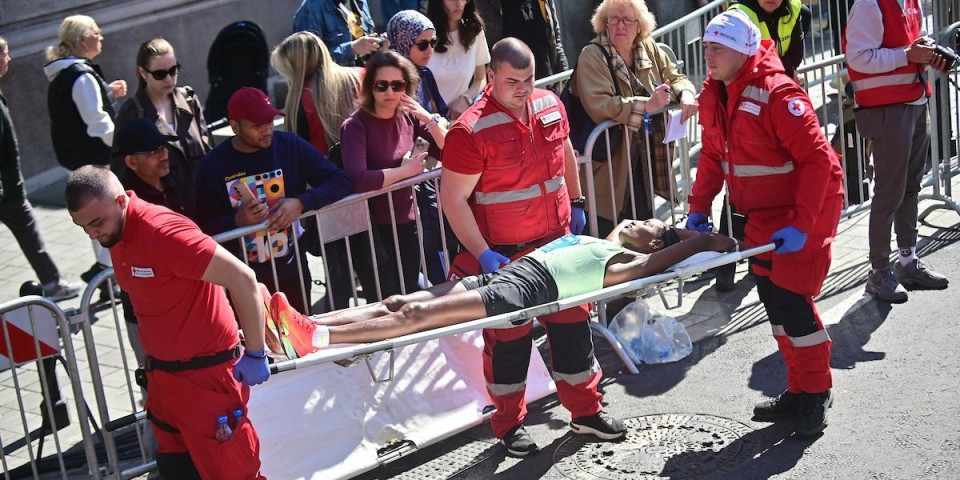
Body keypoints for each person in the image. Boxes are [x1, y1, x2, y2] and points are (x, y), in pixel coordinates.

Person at [439, 38, 620, 457]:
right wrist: (483, 253)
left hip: (557, 244)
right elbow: (452, 199)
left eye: (529, 78)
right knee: (509, 345)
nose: (523, 88)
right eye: (512, 81)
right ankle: (508, 426)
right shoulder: (469, 130)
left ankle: (586, 413)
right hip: (506, 255)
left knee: (574, 329)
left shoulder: (549, 105)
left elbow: (566, 156)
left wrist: (575, 203)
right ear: (490, 76)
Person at [686, 10, 844, 437]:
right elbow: (714, 156)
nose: (708, 56)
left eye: (716, 48)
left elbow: (818, 163)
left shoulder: (778, 93)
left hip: (802, 211)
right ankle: (798, 389)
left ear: (741, 51)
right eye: (706, 48)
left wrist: (802, 224)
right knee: (774, 302)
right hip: (761, 216)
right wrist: (698, 206)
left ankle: (816, 393)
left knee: (793, 303)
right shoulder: (717, 93)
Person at [65, 165, 269, 479]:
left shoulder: (164, 232)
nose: (93, 234)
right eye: (83, 228)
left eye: (96, 223)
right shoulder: (116, 235)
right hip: (165, 383)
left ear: (121, 202)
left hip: (206, 381)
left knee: (234, 472)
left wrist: (256, 352)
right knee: (177, 471)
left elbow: (243, 278)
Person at [270, 219, 735, 348]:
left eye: (653, 227)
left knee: (413, 316)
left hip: (521, 290)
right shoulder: (594, 235)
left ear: (655, 247)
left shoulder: (627, 261)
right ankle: (303, 321)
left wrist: (703, 240)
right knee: (398, 300)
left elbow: (667, 257)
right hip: (507, 274)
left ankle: (321, 339)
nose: (642, 221)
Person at [193, 87, 352, 314]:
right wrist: (236, 222)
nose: (267, 130)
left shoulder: (289, 145)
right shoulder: (211, 166)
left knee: (299, 341)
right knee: (256, 348)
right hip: (240, 280)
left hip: (292, 271)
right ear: (235, 127)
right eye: (257, 125)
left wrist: (301, 202)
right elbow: (200, 229)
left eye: (270, 121)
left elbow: (340, 181)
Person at [844, 0, 950, 303]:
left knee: (910, 188)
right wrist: (908, 55)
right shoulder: (868, 4)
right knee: (890, 193)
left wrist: (931, 54)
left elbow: (913, 44)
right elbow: (858, 58)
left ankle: (907, 262)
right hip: (886, 110)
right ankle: (879, 272)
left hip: (914, 104)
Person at [570, 0, 697, 238]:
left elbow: (675, 75)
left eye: (627, 20)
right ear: (603, 23)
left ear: (640, 25)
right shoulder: (592, 54)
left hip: (645, 156)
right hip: (609, 160)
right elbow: (600, 105)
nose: (620, 26)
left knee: (644, 228)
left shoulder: (648, 47)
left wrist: (686, 93)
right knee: (610, 231)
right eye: (613, 20)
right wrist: (646, 105)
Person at [341, 51, 446, 295]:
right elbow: (358, 179)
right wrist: (404, 172)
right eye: (381, 85)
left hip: (408, 222)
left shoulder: (409, 117)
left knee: (408, 294)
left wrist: (427, 118)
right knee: (384, 301)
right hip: (373, 230)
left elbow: (453, 151)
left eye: (397, 85)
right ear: (370, 87)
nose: (390, 92)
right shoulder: (356, 126)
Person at [44, 15, 127, 296]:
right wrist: (123, 144)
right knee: (107, 216)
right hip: (95, 160)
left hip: (79, 160)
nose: (101, 36)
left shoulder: (68, 74)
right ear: (82, 40)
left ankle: (106, 275)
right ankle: (106, 272)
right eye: (96, 32)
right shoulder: (81, 76)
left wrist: (106, 90)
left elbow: (78, 108)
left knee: (95, 218)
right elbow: (98, 123)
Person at [0, 37, 81, 301]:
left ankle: (52, 282)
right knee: (30, 234)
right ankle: (53, 284)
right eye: (5, 53)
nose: (9, 59)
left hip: (8, 186)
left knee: (30, 234)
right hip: (7, 189)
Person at [387, 9, 457, 287]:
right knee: (426, 246)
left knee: (447, 237)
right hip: (410, 176)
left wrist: (436, 123)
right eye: (423, 44)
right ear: (404, 43)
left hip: (438, 169)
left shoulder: (425, 74)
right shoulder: (391, 83)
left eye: (433, 42)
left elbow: (440, 111)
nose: (430, 50)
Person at [114, 38, 211, 214]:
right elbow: (122, 173)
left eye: (173, 70)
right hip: (165, 215)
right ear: (143, 72)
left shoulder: (189, 100)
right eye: (160, 74)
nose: (169, 79)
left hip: (204, 207)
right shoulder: (132, 113)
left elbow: (206, 151)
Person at [426, 0, 490, 119]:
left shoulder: (475, 30)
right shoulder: (425, 36)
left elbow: (481, 79)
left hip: (461, 120)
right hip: (429, 121)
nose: (458, 3)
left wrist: (466, 98)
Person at [477, 0, 569, 80]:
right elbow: (484, 51)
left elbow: (555, 40)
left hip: (547, 84)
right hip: (511, 91)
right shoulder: (487, 4)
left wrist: (563, 75)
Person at [728, 0, 811, 78]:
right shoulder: (737, 16)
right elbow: (740, 68)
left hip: (779, 78)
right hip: (748, 84)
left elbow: (796, 55)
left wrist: (782, 78)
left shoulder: (795, 8)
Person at [293, 0, 390, 66]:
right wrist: (351, 49)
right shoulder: (311, 9)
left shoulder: (360, 2)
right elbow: (307, 60)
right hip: (333, 89)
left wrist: (377, 46)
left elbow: (363, 41)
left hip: (363, 83)